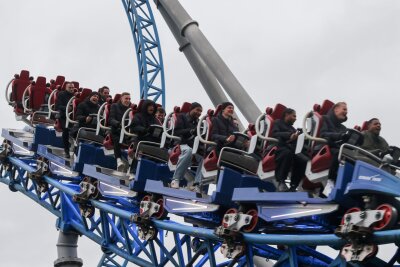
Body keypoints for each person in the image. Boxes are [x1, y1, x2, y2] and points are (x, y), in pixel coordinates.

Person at [272, 108, 307, 192]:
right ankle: (281, 182)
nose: (295, 118)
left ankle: (294, 185)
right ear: (287, 115)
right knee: (286, 153)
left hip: (292, 149)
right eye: (294, 116)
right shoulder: (278, 122)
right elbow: (275, 133)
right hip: (281, 147)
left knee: (302, 159)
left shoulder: (292, 129)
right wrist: (289, 135)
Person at [170, 102, 203, 189]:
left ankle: (196, 184)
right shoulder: (181, 117)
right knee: (188, 151)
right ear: (191, 109)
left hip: (192, 147)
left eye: (201, 112)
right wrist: (190, 131)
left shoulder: (199, 123)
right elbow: (177, 132)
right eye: (197, 110)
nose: (199, 113)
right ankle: (175, 179)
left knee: (203, 158)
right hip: (180, 145)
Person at [319, 102, 348, 192]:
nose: (346, 112)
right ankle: (330, 181)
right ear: (336, 109)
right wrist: (339, 136)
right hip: (324, 147)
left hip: (338, 147)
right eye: (344, 109)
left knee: (349, 156)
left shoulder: (343, 128)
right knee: (338, 152)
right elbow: (323, 134)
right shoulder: (325, 118)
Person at [109, 92, 131, 169]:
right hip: (117, 129)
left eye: (129, 99)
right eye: (126, 98)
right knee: (117, 139)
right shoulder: (115, 106)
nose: (128, 100)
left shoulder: (130, 109)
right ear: (121, 99)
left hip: (128, 131)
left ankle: (132, 165)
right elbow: (111, 119)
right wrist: (118, 124)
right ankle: (118, 159)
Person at [55, 82, 75, 158]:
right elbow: (58, 106)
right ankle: (66, 151)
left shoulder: (75, 96)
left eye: (72, 87)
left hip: (72, 117)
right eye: (69, 87)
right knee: (66, 130)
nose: (71, 89)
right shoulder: (61, 94)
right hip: (63, 116)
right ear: (66, 88)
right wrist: (67, 108)